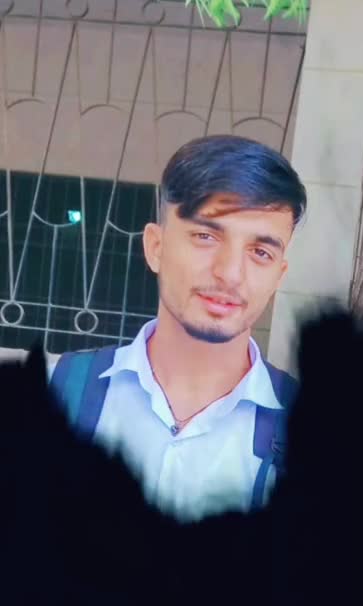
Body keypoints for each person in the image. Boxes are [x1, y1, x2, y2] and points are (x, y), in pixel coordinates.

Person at [49, 135, 307, 521]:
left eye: (260, 252)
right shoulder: (53, 394)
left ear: (278, 276)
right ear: (156, 247)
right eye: (206, 236)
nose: (230, 273)